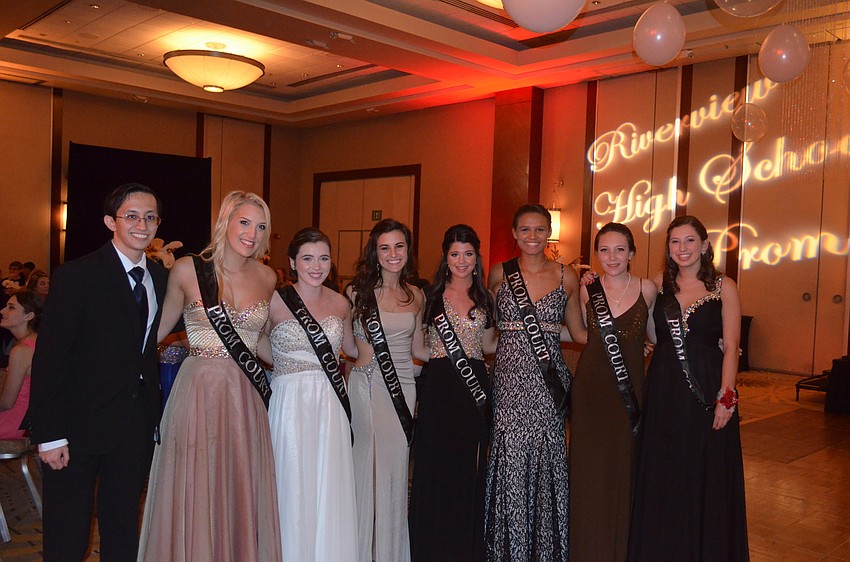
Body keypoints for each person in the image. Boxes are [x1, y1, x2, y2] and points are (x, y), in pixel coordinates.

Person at [138, 191, 282, 562]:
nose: (252, 233)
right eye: (245, 222)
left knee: (238, 484)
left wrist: (304, 363)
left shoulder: (268, 277)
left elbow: (260, 341)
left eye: (261, 225)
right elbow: (158, 331)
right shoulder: (189, 269)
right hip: (198, 390)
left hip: (245, 394)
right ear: (226, 223)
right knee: (196, 481)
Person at [29, 183, 168, 561]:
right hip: (75, 426)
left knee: (122, 525)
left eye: (151, 216)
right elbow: (50, 359)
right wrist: (50, 435)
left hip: (133, 424)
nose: (143, 224)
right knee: (67, 531)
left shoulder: (158, 278)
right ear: (111, 221)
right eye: (133, 216)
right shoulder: (77, 276)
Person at [627, 215, 748, 561]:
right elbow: (646, 330)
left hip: (708, 390)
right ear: (667, 248)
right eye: (675, 242)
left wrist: (727, 396)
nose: (682, 249)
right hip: (664, 389)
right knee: (666, 474)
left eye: (690, 241)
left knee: (705, 472)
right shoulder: (655, 286)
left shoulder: (725, 286)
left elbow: (733, 342)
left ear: (705, 245)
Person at [485, 204, 586, 561]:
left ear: (549, 233)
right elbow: (485, 329)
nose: (532, 236)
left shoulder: (566, 276)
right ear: (514, 233)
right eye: (525, 229)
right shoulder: (498, 273)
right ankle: (506, 550)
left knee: (547, 461)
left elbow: (578, 333)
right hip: (509, 381)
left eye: (540, 229)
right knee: (510, 460)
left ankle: (545, 550)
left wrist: (627, 338)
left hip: (549, 384)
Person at [261, 227, 359, 561]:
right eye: (307, 258)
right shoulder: (274, 300)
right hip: (287, 399)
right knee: (290, 478)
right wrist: (283, 365)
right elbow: (255, 341)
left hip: (329, 400)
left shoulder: (342, 303)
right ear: (292, 262)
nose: (316, 266)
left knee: (326, 480)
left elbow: (352, 349)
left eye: (323, 258)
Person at [569, 223, 657, 562]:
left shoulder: (648, 289)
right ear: (596, 254)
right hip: (590, 391)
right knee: (588, 472)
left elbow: (659, 335)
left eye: (620, 249)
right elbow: (578, 333)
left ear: (632, 253)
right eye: (604, 250)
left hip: (628, 393)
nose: (612, 257)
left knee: (622, 470)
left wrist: (715, 343)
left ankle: (619, 549)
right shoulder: (585, 289)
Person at [409, 224, 496, 562]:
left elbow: (488, 344)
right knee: (434, 467)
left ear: (477, 258)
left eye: (468, 254)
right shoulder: (429, 295)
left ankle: (462, 547)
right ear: (446, 258)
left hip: (473, 388)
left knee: (468, 469)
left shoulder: (486, 297)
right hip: (439, 386)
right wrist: (441, 358)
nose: (462, 261)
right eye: (455, 254)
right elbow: (418, 344)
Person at [346, 218, 429, 562]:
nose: (393, 254)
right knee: (365, 468)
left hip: (402, 392)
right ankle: (361, 552)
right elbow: (346, 345)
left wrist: (462, 352)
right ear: (374, 252)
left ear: (408, 251)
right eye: (385, 247)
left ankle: (391, 553)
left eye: (399, 246)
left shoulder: (418, 296)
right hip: (365, 387)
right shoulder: (356, 292)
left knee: (395, 473)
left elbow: (420, 349)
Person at [0, 291, 41, 439]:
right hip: (27, 418)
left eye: (11, 307)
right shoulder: (37, 341)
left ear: (29, 316)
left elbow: (7, 403)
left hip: (13, 420)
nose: (2, 311)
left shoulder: (21, 351)